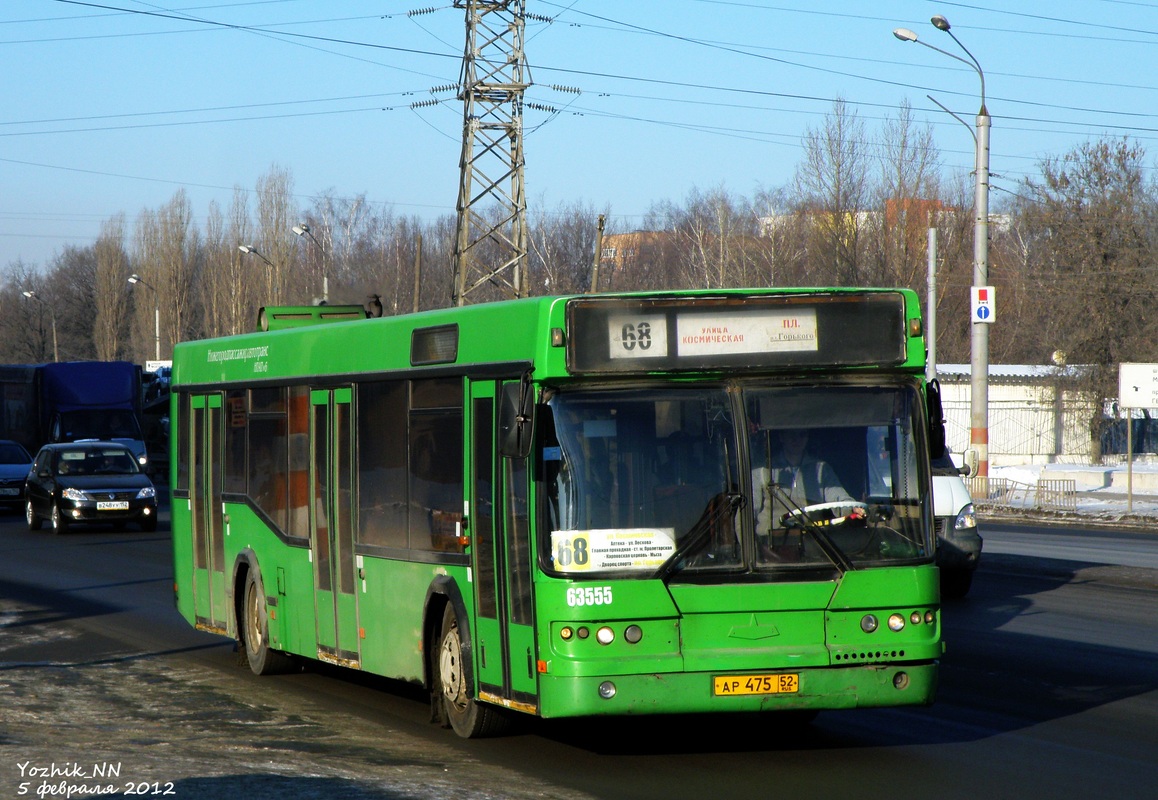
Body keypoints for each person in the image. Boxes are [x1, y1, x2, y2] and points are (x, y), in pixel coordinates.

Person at [751, 428, 860, 535]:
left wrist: (853, 508)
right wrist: (754, 549)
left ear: (807, 438)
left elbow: (839, 498)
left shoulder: (821, 469)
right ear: (782, 437)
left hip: (813, 544)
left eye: (802, 435)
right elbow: (744, 517)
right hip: (772, 544)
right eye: (792, 435)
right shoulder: (763, 471)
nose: (797, 439)